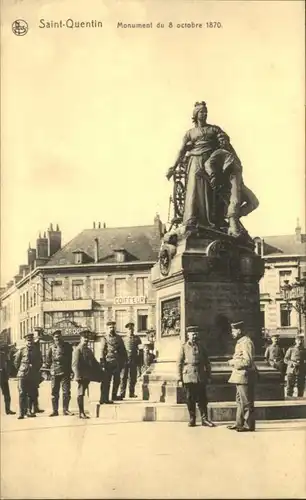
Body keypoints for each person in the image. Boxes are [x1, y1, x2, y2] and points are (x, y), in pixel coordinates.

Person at [166, 101, 258, 237]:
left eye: (205, 111)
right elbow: (181, 150)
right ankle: (191, 220)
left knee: (210, 193)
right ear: (196, 114)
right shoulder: (190, 133)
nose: (204, 114)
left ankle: (212, 222)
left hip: (212, 161)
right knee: (193, 191)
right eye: (201, 112)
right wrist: (173, 167)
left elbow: (225, 143)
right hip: (195, 162)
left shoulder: (214, 129)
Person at [177, 325, 215, 427]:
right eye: (192, 334)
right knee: (190, 398)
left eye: (196, 334)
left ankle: (204, 419)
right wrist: (180, 378)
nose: (194, 336)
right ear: (188, 335)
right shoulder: (184, 347)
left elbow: (207, 362)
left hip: (200, 375)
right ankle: (192, 419)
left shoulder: (202, 346)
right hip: (188, 376)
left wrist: (209, 375)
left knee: (203, 399)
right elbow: (179, 363)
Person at [227, 321, 257, 432]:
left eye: (233, 331)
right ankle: (239, 423)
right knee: (240, 401)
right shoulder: (241, 342)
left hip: (244, 375)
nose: (232, 333)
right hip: (240, 376)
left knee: (246, 402)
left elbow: (247, 361)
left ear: (239, 331)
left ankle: (249, 425)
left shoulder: (246, 342)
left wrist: (233, 362)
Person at [72, 330, 102, 419]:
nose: (86, 340)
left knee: (84, 393)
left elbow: (94, 361)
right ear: (81, 339)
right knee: (80, 393)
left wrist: (100, 368)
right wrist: (77, 376)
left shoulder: (88, 350)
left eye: (87, 338)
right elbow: (74, 364)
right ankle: (81, 413)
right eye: (84, 338)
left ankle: (84, 411)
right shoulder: (78, 350)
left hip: (88, 375)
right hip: (81, 375)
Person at [14, 332, 43, 419]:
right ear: (25, 341)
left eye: (31, 340)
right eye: (28, 341)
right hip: (22, 375)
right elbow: (16, 362)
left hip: (32, 375)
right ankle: (21, 413)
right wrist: (22, 368)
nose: (30, 342)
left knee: (31, 393)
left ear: (33, 341)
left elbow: (40, 361)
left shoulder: (37, 351)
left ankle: (29, 411)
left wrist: (35, 368)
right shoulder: (21, 350)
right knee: (22, 393)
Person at [45, 329, 73, 417]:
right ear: (53, 338)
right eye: (55, 337)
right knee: (54, 392)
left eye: (58, 336)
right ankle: (55, 410)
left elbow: (71, 359)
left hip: (65, 371)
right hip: (54, 372)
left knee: (66, 392)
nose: (57, 338)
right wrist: (47, 372)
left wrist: (72, 371)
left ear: (61, 336)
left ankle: (65, 410)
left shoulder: (67, 346)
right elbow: (48, 360)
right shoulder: (51, 347)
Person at [100, 320, 127, 404]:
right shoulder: (105, 338)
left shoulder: (119, 338)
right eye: (110, 327)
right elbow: (102, 351)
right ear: (107, 328)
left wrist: (124, 360)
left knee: (117, 380)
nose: (111, 329)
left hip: (117, 362)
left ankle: (114, 396)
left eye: (113, 327)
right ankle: (104, 398)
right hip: (108, 362)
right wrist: (102, 362)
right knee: (106, 381)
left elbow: (123, 350)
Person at [119, 322, 142, 399]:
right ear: (127, 330)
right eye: (129, 329)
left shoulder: (137, 339)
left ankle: (131, 393)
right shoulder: (123, 339)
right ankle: (122, 393)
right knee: (123, 377)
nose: (131, 330)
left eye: (132, 329)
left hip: (133, 360)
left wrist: (139, 361)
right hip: (125, 361)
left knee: (133, 377)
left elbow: (140, 350)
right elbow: (121, 350)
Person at [0, 343, 16, 415]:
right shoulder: (3, 355)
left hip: (3, 376)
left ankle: (8, 409)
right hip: (3, 376)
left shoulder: (4, 355)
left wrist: (8, 373)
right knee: (6, 394)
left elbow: (9, 364)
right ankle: (8, 410)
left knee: (7, 394)